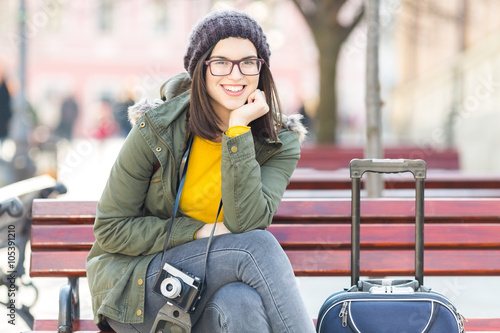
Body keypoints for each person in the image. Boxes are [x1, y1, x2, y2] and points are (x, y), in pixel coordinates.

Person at [86, 10, 314, 333]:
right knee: (258, 247)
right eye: (221, 63)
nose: (235, 75)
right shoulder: (158, 129)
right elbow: (110, 228)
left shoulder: (279, 142)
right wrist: (198, 231)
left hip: (208, 294)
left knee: (241, 302)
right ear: (200, 70)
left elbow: (246, 224)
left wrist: (237, 131)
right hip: (140, 288)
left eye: (248, 62)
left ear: (261, 69)